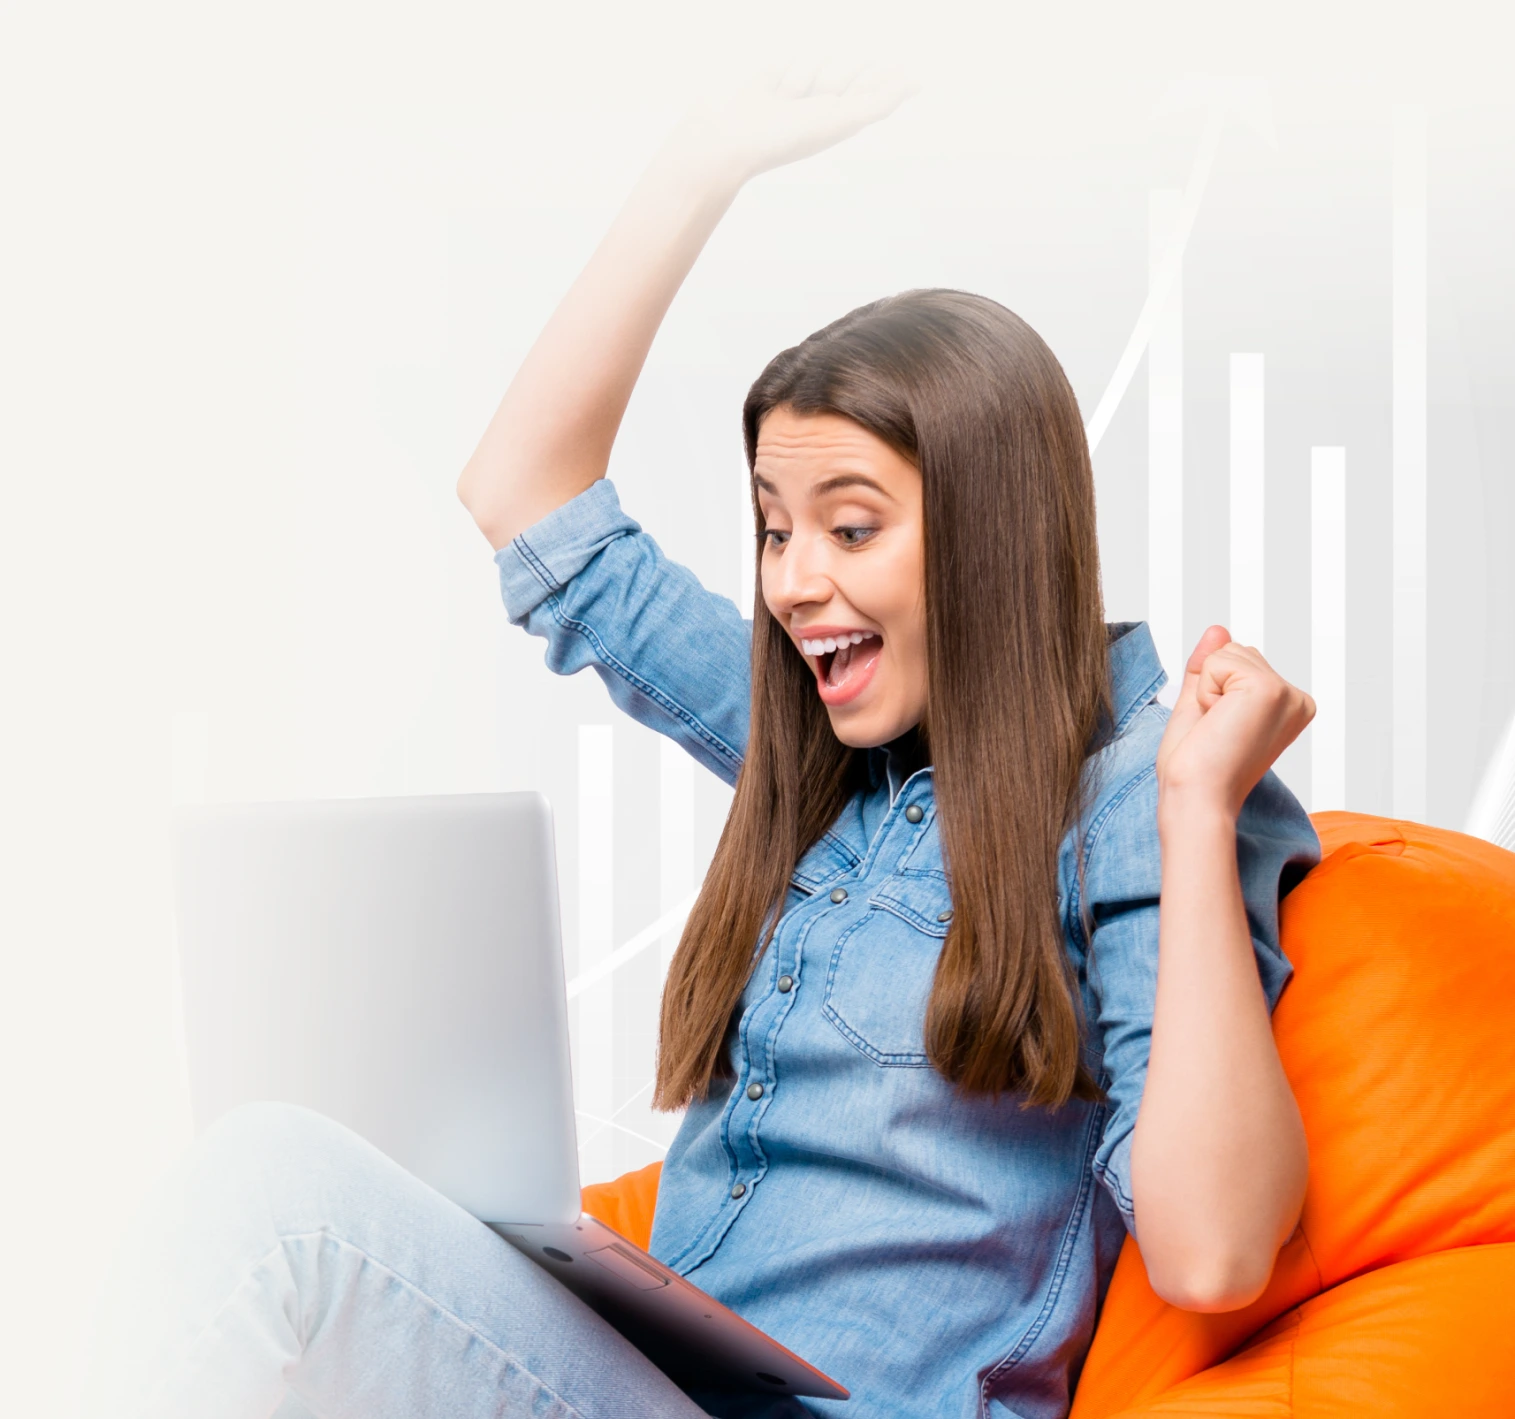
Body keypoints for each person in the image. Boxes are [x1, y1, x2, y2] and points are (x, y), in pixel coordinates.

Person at [83, 62, 1320, 1419]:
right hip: (662, 1376)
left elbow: (1212, 1248)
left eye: (849, 527)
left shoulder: (1135, 793)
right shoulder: (817, 760)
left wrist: (1200, 807)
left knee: (284, 1204)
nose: (791, 581)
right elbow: (526, 498)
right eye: (774, 526)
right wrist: (698, 166)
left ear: (993, 534)